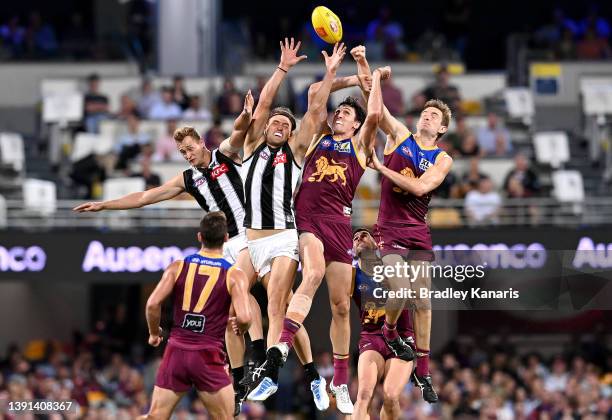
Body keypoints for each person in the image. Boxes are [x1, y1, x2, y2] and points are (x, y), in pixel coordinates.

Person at [73, 93, 266, 415]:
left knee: (250, 296)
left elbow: (240, 131)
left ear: (202, 143)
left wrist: (246, 114)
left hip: (257, 232)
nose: (187, 155)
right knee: (237, 305)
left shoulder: (226, 155)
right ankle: (240, 375)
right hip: (230, 244)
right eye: (181, 152)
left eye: (190, 148)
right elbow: (146, 196)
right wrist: (105, 204)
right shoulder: (188, 179)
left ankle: (261, 355)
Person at [248, 42, 383, 416]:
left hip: (340, 222)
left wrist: (363, 66)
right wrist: (333, 72)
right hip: (305, 219)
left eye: (345, 114)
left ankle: (340, 379)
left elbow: (373, 111)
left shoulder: (360, 143)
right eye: (337, 112)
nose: (339, 115)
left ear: (354, 124)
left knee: (341, 306)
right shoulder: (318, 136)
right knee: (313, 273)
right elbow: (312, 95)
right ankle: (280, 348)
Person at [353, 45, 453, 403]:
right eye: (424, 112)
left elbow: (422, 186)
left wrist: (382, 168)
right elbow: (374, 108)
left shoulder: (443, 158)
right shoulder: (399, 137)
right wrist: (366, 66)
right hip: (391, 229)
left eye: (433, 116)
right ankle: (393, 330)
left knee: (423, 302)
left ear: (441, 128)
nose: (426, 116)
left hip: (418, 230)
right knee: (400, 290)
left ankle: (424, 374)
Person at [237, 37, 328, 412]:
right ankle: (310, 374)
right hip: (250, 239)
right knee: (236, 293)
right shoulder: (251, 146)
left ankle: (270, 373)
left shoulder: (294, 152)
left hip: (282, 238)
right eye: (273, 120)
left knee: (277, 306)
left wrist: (331, 73)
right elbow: (260, 107)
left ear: (290, 133)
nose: (277, 124)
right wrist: (281, 69)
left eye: (283, 123)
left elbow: (314, 113)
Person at [138, 212, 251, 420]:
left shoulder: (178, 266)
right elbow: (244, 317)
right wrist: (240, 328)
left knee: (154, 416)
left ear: (199, 236)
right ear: (226, 238)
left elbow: (153, 304)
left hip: (176, 352)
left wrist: (154, 333)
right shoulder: (234, 274)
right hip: (208, 355)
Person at [351, 228, 415, 420]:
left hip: (401, 338)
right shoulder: (351, 275)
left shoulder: (394, 264)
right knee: (363, 395)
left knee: (390, 396)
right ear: (353, 250)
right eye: (354, 238)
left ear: (376, 243)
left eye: (364, 235)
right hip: (371, 337)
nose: (359, 238)